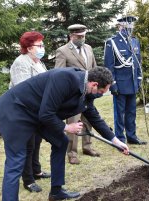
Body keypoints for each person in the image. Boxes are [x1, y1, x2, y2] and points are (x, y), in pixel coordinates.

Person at [0, 67, 129, 201]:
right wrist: (67, 127)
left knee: (61, 142)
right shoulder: (65, 78)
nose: (99, 95)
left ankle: (56, 192)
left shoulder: (86, 91)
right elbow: (46, 114)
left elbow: (94, 117)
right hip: (15, 110)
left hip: (38, 113)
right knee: (16, 160)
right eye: (100, 92)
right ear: (94, 84)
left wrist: (116, 142)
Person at [9, 31, 50, 193]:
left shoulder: (38, 61)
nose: (42, 48)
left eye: (42, 45)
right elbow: (22, 89)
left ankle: (36, 170)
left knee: (37, 141)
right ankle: (28, 180)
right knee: (28, 145)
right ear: (28, 47)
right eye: (39, 45)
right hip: (24, 110)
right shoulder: (21, 62)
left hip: (38, 108)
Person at [55, 24, 100, 165]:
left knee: (88, 120)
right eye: (79, 37)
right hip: (73, 95)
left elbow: (93, 68)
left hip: (88, 92)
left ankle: (87, 147)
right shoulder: (62, 51)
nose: (82, 39)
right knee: (73, 123)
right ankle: (72, 153)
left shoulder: (88, 48)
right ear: (71, 36)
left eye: (84, 36)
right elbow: (59, 73)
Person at [104, 16, 146, 145]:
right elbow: (109, 66)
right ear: (120, 26)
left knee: (131, 112)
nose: (129, 29)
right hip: (120, 84)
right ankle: (120, 139)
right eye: (127, 26)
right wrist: (113, 85)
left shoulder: (134, 41)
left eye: (131, 26)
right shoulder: (112, 42)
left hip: (132, 83)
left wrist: (138, 80)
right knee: (119, 114)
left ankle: (132, 137)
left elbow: (138, 62)